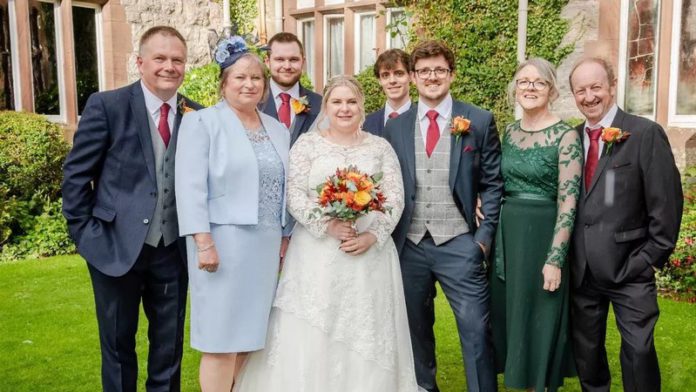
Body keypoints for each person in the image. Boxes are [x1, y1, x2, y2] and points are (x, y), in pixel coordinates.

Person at [233, 75, 421, 391]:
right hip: (317, 251)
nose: (344, 108)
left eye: (351, 102)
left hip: (369, 255)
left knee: (367, 327)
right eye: (337, 101)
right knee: (314, 325)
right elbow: (293, 194)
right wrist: (328, 225)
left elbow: (395, 196)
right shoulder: (307, 144)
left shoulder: (380, 147)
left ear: (362, 107)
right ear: (326, 106)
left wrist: (372, 235)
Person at [61, 26, 202, 391]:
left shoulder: (197, 115)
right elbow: (77, 175)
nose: (169, 67)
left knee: (168, 350)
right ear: (140, 62)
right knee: (118, 347)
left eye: (177, 60)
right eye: (160, 58)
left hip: (172, 250)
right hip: (113, 247)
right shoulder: (107, 105)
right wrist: (86, 234)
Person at [382, 40, 503, 392]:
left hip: (460, 243)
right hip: (411, 245)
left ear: (451, 74)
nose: (431, 77)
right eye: (424, 71)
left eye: (439, 70)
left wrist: (481, 242)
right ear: (414, 78)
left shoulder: (478, 120)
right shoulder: (396, 127)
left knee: (476, 331)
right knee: (415, 331)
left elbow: (493, 184)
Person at [175, 36, 291, 391]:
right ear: (223, 83)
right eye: (239, 77)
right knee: (220, 339)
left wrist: (285, 237)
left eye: (256, 78)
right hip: (222, 244)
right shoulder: (202, 123)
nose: (249, 84)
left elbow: (285, 187)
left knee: (250, 337)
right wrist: (203, 241)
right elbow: (189, 186)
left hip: (265, 245)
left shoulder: (278, 129)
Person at [568, 57, 683, 392]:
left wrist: (647, 258)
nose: (589, 96)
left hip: (629, 268)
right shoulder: (571, 139)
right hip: (583, 270)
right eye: (581, 90)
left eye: (595, 87)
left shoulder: (645, 134)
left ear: (613, 86)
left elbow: (666, 205)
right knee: (587, 356)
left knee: (639, 351)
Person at [489, 58, 581, 392]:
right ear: (514, 88)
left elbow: (569, 199)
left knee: (540, 319)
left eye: (538, 82)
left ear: (552, 90)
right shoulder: (510, 132)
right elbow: (497, 180)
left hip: (543, 236)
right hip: (509, 236)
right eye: (523, 81)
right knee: (513, 318)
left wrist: (555, 258)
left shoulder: (566, 135)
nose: (530, 87)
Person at [259, 32, 322, 145]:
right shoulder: (253, 103)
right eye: (279, 59)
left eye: (293, 60)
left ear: (303, 62)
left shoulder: (320, 105)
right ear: (267, 62)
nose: (287, 66)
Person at [363, 48, 412, 136]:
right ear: (379, 80)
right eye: (385, 75)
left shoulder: (423, 120)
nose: (392, 80)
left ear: (411, 76)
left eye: (399, 73)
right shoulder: (366, 124)